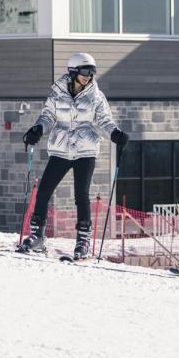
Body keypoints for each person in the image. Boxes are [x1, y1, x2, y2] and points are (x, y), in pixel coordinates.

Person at [20, 52, 127, 259]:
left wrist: (115, 133)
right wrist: (38, 129)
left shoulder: (96, 96)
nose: (89, 76)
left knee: (81, 195)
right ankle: (38, 237)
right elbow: (48, 116)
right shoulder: (57, 93)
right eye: (85, 72)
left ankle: (82, 242)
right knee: (43, 191)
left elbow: (104, 119)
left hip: (85, 150)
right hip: (61, 148)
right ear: (73, 72)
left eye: (92, 72)